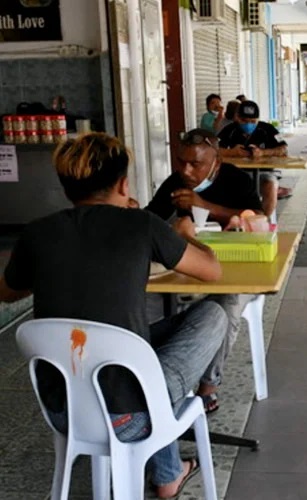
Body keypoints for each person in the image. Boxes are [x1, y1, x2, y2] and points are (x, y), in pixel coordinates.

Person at [0, 133, 227, 499]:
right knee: (212, 315)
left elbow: (7, 292)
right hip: (130, 417)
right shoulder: (141, 225)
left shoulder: (36, 233)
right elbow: (211, 272)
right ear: (124, 183)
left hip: (63, 412)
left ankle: (168, 471)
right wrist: (184, 233)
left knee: (135, 349)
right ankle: (168, 474)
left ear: (66, 188)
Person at [146, 128, 265, 413]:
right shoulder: (175, 184)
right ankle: (158, 380)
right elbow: (150, 219)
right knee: (150, 301)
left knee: (225, 303)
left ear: (216, 162)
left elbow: (259, 222)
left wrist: (204, 206)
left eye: (196, 164)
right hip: (190, 273)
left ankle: (207, 389)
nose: (186, 170)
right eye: (181, 161)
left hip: (240, 270)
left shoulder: (236, 179)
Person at [217, 100, 289, 218]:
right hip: (236, 173)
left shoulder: (268, 129)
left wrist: (264, 152)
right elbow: (213, 150)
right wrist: (232, 152)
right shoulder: (229, 130)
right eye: (244, 121)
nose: (248, 124)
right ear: (237, 118)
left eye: (252, 121)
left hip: (264, 173)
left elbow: (283, 148)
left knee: (270, 186)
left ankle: (264, 221)